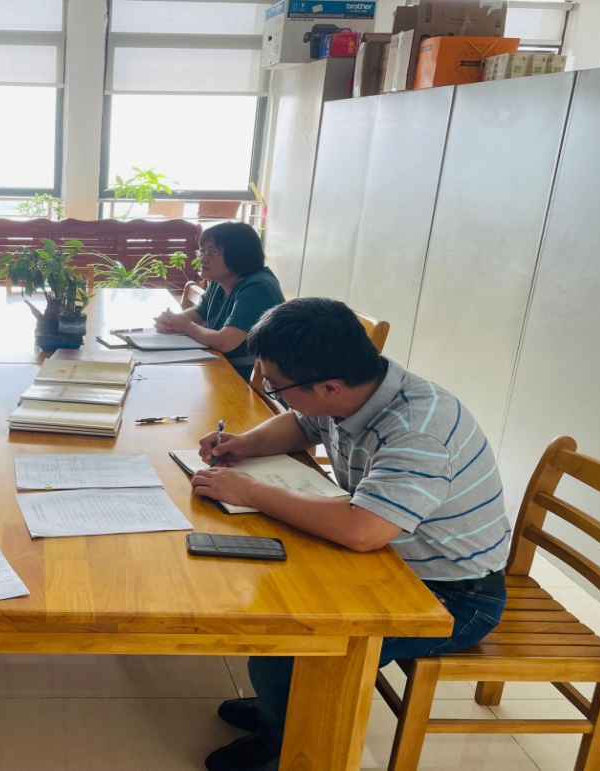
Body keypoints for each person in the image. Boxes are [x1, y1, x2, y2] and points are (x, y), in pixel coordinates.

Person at [192, 297, 508, 771]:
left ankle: (285, 745)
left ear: (329, 387)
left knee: (294, 642)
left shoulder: (418, 431)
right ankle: (279, 707)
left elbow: (364, 530)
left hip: (453, 596)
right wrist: (245, 444)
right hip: (395, 561)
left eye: (276, 385)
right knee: (274, 598)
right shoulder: (358, 389)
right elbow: (303, 424)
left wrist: (252, 491)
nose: (274, 393)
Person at [152, 222, 284, 379]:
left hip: (250, 378)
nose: (203, 259)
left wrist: (186, 326)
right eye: (202, 252)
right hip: (222, 365)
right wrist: (170, 321)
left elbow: (225, 342)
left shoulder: (258, 288)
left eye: (213, 253)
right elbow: (200, 313)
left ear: (240, 256)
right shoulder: (221, 280)